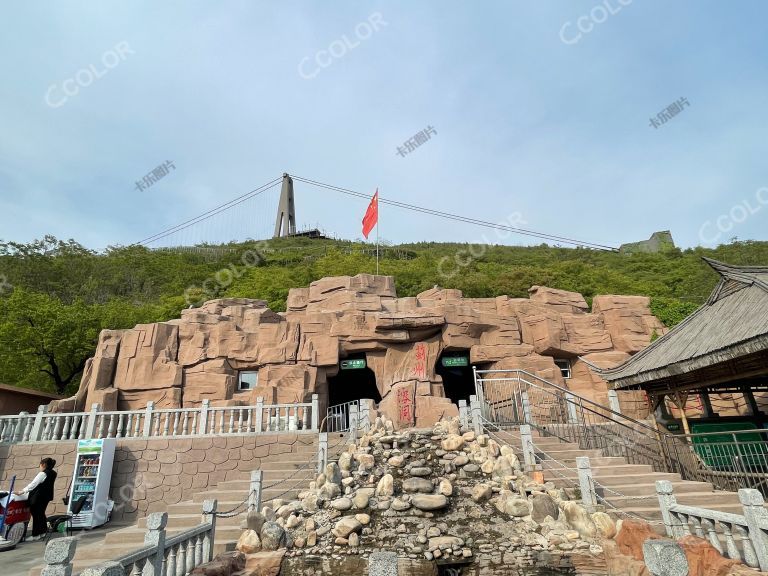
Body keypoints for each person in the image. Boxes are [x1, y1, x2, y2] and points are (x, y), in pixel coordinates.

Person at [14, 457, 57, 541]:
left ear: (43, 465)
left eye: (40, 465)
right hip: (46, 496)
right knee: (41, 514)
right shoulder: (53, 473)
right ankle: (42, 533)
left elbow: (33, 484)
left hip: (38, 497)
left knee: (36, 515)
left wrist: (22, 491)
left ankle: (36, 535)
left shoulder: (43, 474)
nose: (39, 467)